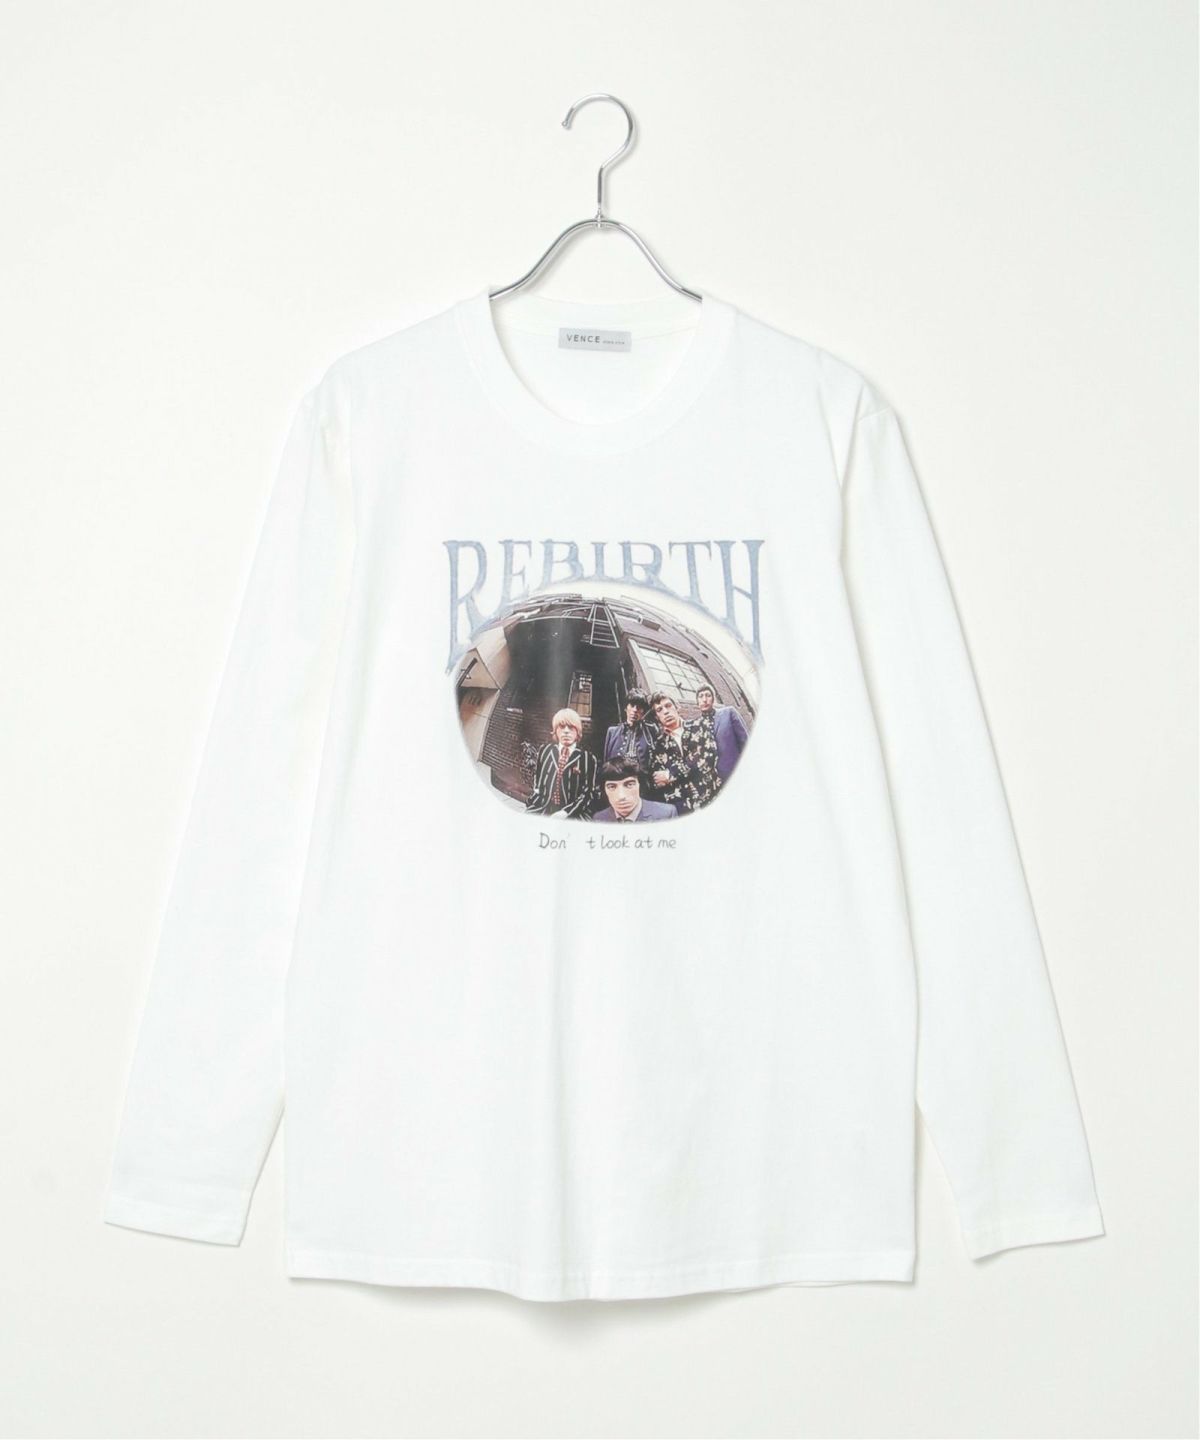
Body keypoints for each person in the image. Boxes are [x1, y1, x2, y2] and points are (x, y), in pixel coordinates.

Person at [648, 692, 721, 815]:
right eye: (659, 710)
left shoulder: (699, 726)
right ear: (656, 717)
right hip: (684, 811)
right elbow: (659, 782)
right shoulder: (657, 746)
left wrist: (670, 775)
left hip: (712, 800)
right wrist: (690, 766)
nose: (665, 712)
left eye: (668, 706)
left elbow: (706, 759)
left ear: (676, 707)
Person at [525, 708, 598, 819]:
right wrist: (533, 801)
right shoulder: (545, 751)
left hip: (573, 812)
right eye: (562, 727)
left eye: (571, 727)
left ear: (578, 732)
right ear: (555, 731)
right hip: (543, 807)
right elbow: (538, 782)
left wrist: (566, 812)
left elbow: (588, 793)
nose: (566, 731)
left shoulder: (587, 758)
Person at [592, 757, 677, 823]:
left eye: (629, 785)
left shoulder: (666, 815)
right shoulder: (599, 819)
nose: (621, 796)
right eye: (612, 787)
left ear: (640, 785)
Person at [695, 684, 750, 783]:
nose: (704, 700)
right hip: (716, 783)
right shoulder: (696, 727)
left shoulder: (728, 713)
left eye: (708, 695)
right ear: (697, 702)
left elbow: (745, 742)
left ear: (713, 699)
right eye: (701, 696)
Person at [602, 688, 659, 776]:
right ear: (626, 708)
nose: (635, 710)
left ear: (643, 711)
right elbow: (606, 763)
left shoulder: (650, 731)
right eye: (632, 705)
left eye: (639, 707)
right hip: (617, 779)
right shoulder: (612, 732)